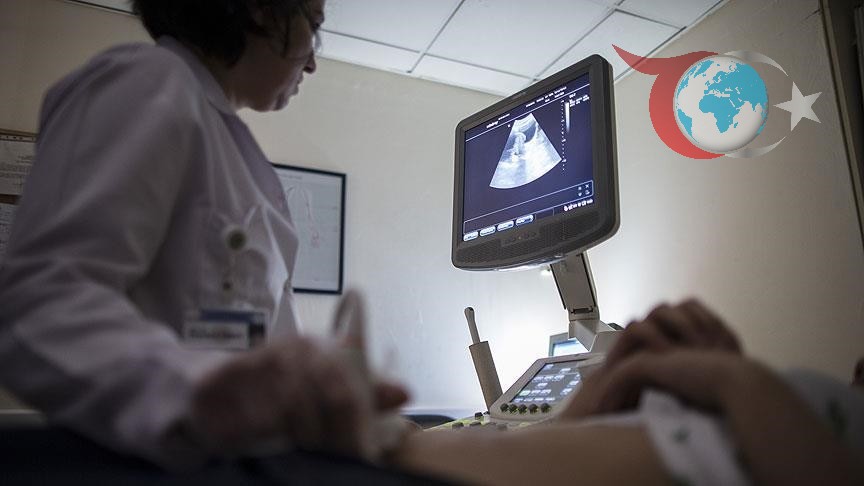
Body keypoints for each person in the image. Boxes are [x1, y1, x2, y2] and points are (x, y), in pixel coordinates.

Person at [0, 0, 408, 470]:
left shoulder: (230, 146)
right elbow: (41, 301)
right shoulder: (150, 80)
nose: (313, 60)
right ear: (259, 9)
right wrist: (196, 392)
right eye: (312, 25)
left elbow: (247, 338)